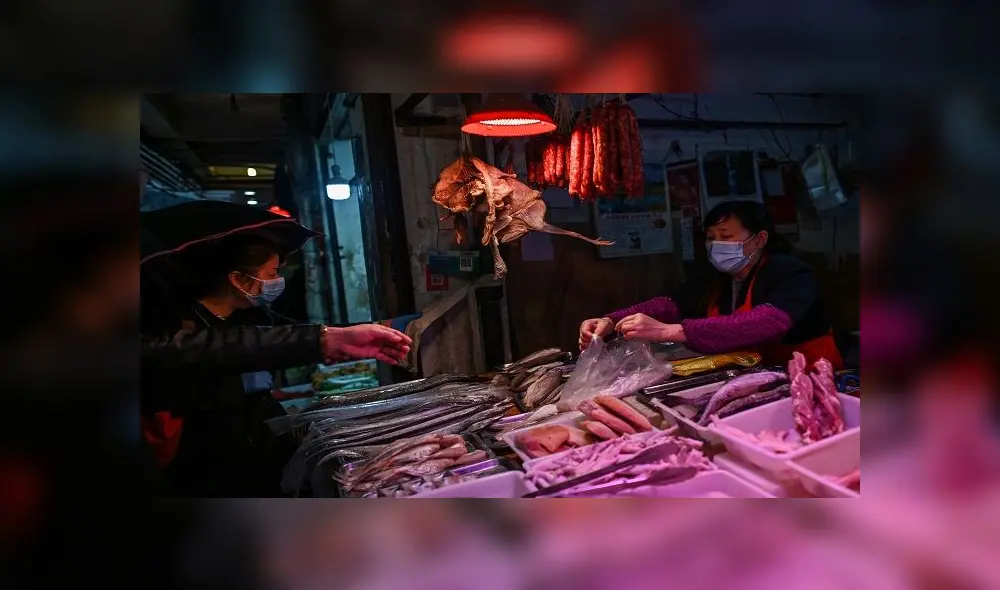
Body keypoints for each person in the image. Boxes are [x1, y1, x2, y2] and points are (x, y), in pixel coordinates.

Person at [140, 236, 412, 497]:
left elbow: (290, 334)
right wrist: (324, 341)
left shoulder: (248, 314)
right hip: (212, 468)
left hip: (260, 447)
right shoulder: (180, 331)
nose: (277, 281)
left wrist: (375, 329)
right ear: (237, 279)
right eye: (271, 274)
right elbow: (238, 349)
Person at [579, 200, 844, 370]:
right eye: (710, 237)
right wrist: (612, 320)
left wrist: (671, 332)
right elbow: (669, 305)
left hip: (814, 377)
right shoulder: (715, 276)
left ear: (759, 239)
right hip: (761, 379)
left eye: (726, 236)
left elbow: (767, 322)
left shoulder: (790, 271)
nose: (716, 244)